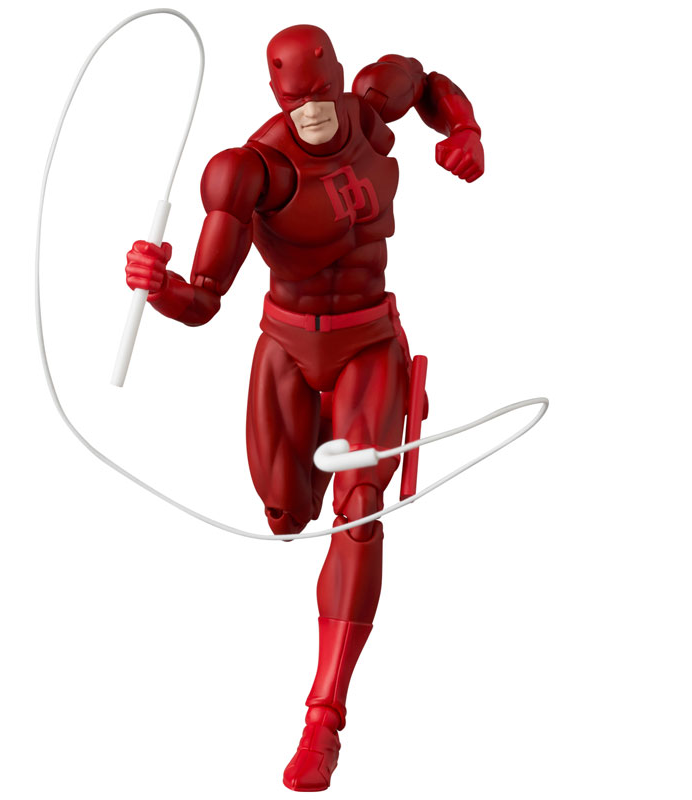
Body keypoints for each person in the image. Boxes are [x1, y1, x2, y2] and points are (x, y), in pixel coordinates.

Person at [124, 24, 483, 791]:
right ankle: (326, 448)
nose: (314, 113)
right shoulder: (249, 171)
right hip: (287, 345)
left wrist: (466, 130)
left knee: (359, 510)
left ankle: (324, 719)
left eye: (322, 96)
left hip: (368, 338)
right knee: (286, 517)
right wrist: (158, 288)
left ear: (341, 79)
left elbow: (428, 83)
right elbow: (202, 301)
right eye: (298, 103)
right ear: (276, 97)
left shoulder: (372, 108)